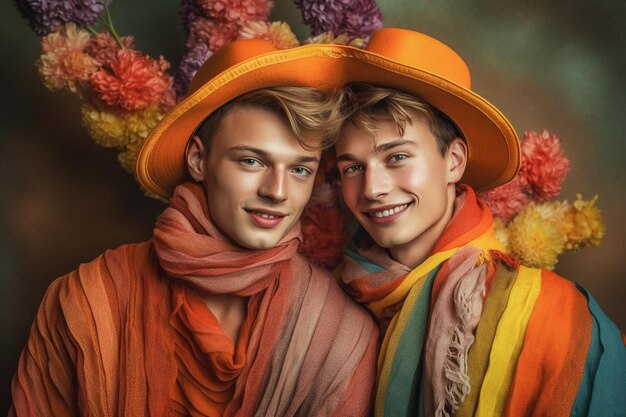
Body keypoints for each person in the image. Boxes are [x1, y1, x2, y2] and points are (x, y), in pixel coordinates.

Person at [10, 39, 378, 417]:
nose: (277, 192)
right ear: (199, 160)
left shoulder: (340, 334)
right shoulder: (86, 300)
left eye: (300, 169)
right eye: (251, 161)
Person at [332, 28, 626, 417]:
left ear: (453, 161)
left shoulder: (552, 313)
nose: (372, 188)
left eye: (397, 157)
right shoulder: (335, 296)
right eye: (353, 167)